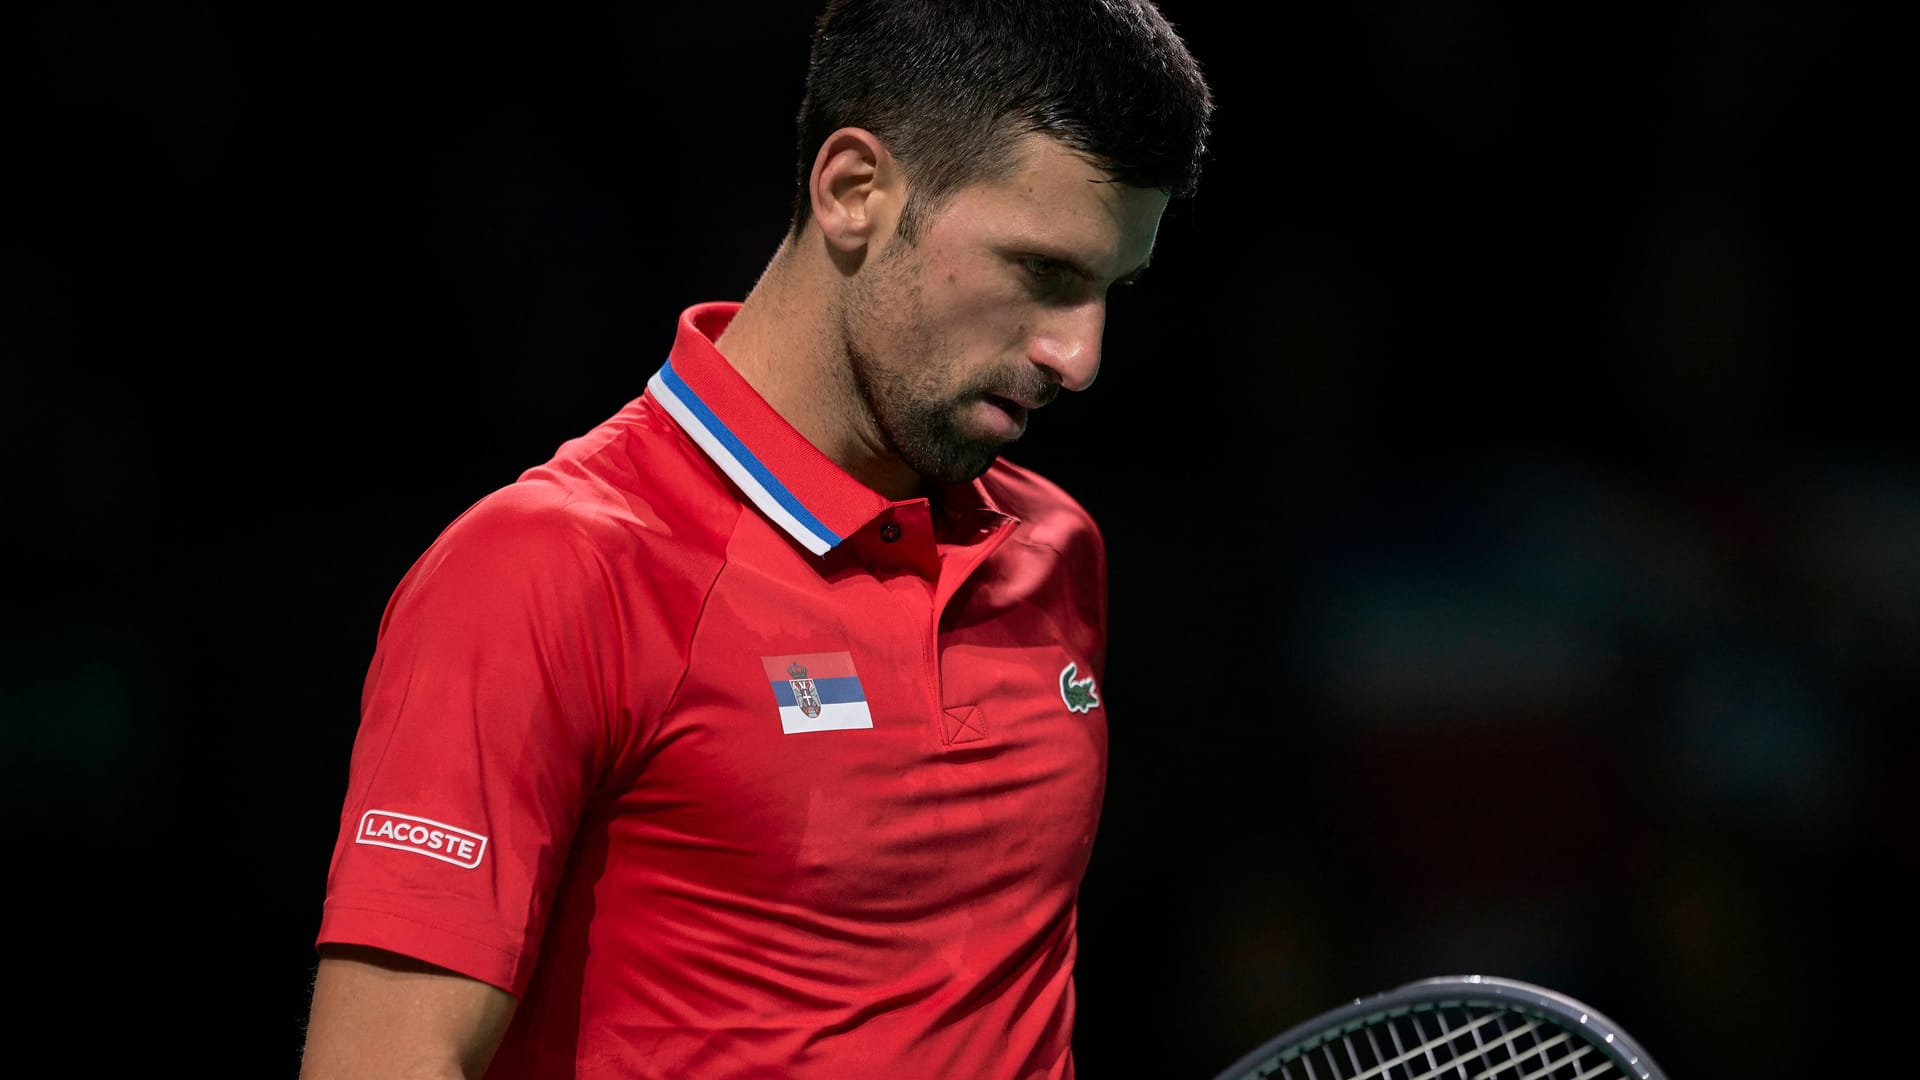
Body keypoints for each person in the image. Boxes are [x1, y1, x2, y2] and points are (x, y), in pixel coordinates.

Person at [296, 1, 1212, 1076]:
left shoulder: (1058, 553)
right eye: (1045, 274)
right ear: (854, 192)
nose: (1079, 355)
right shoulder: (545, 570)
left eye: (1110, 289)